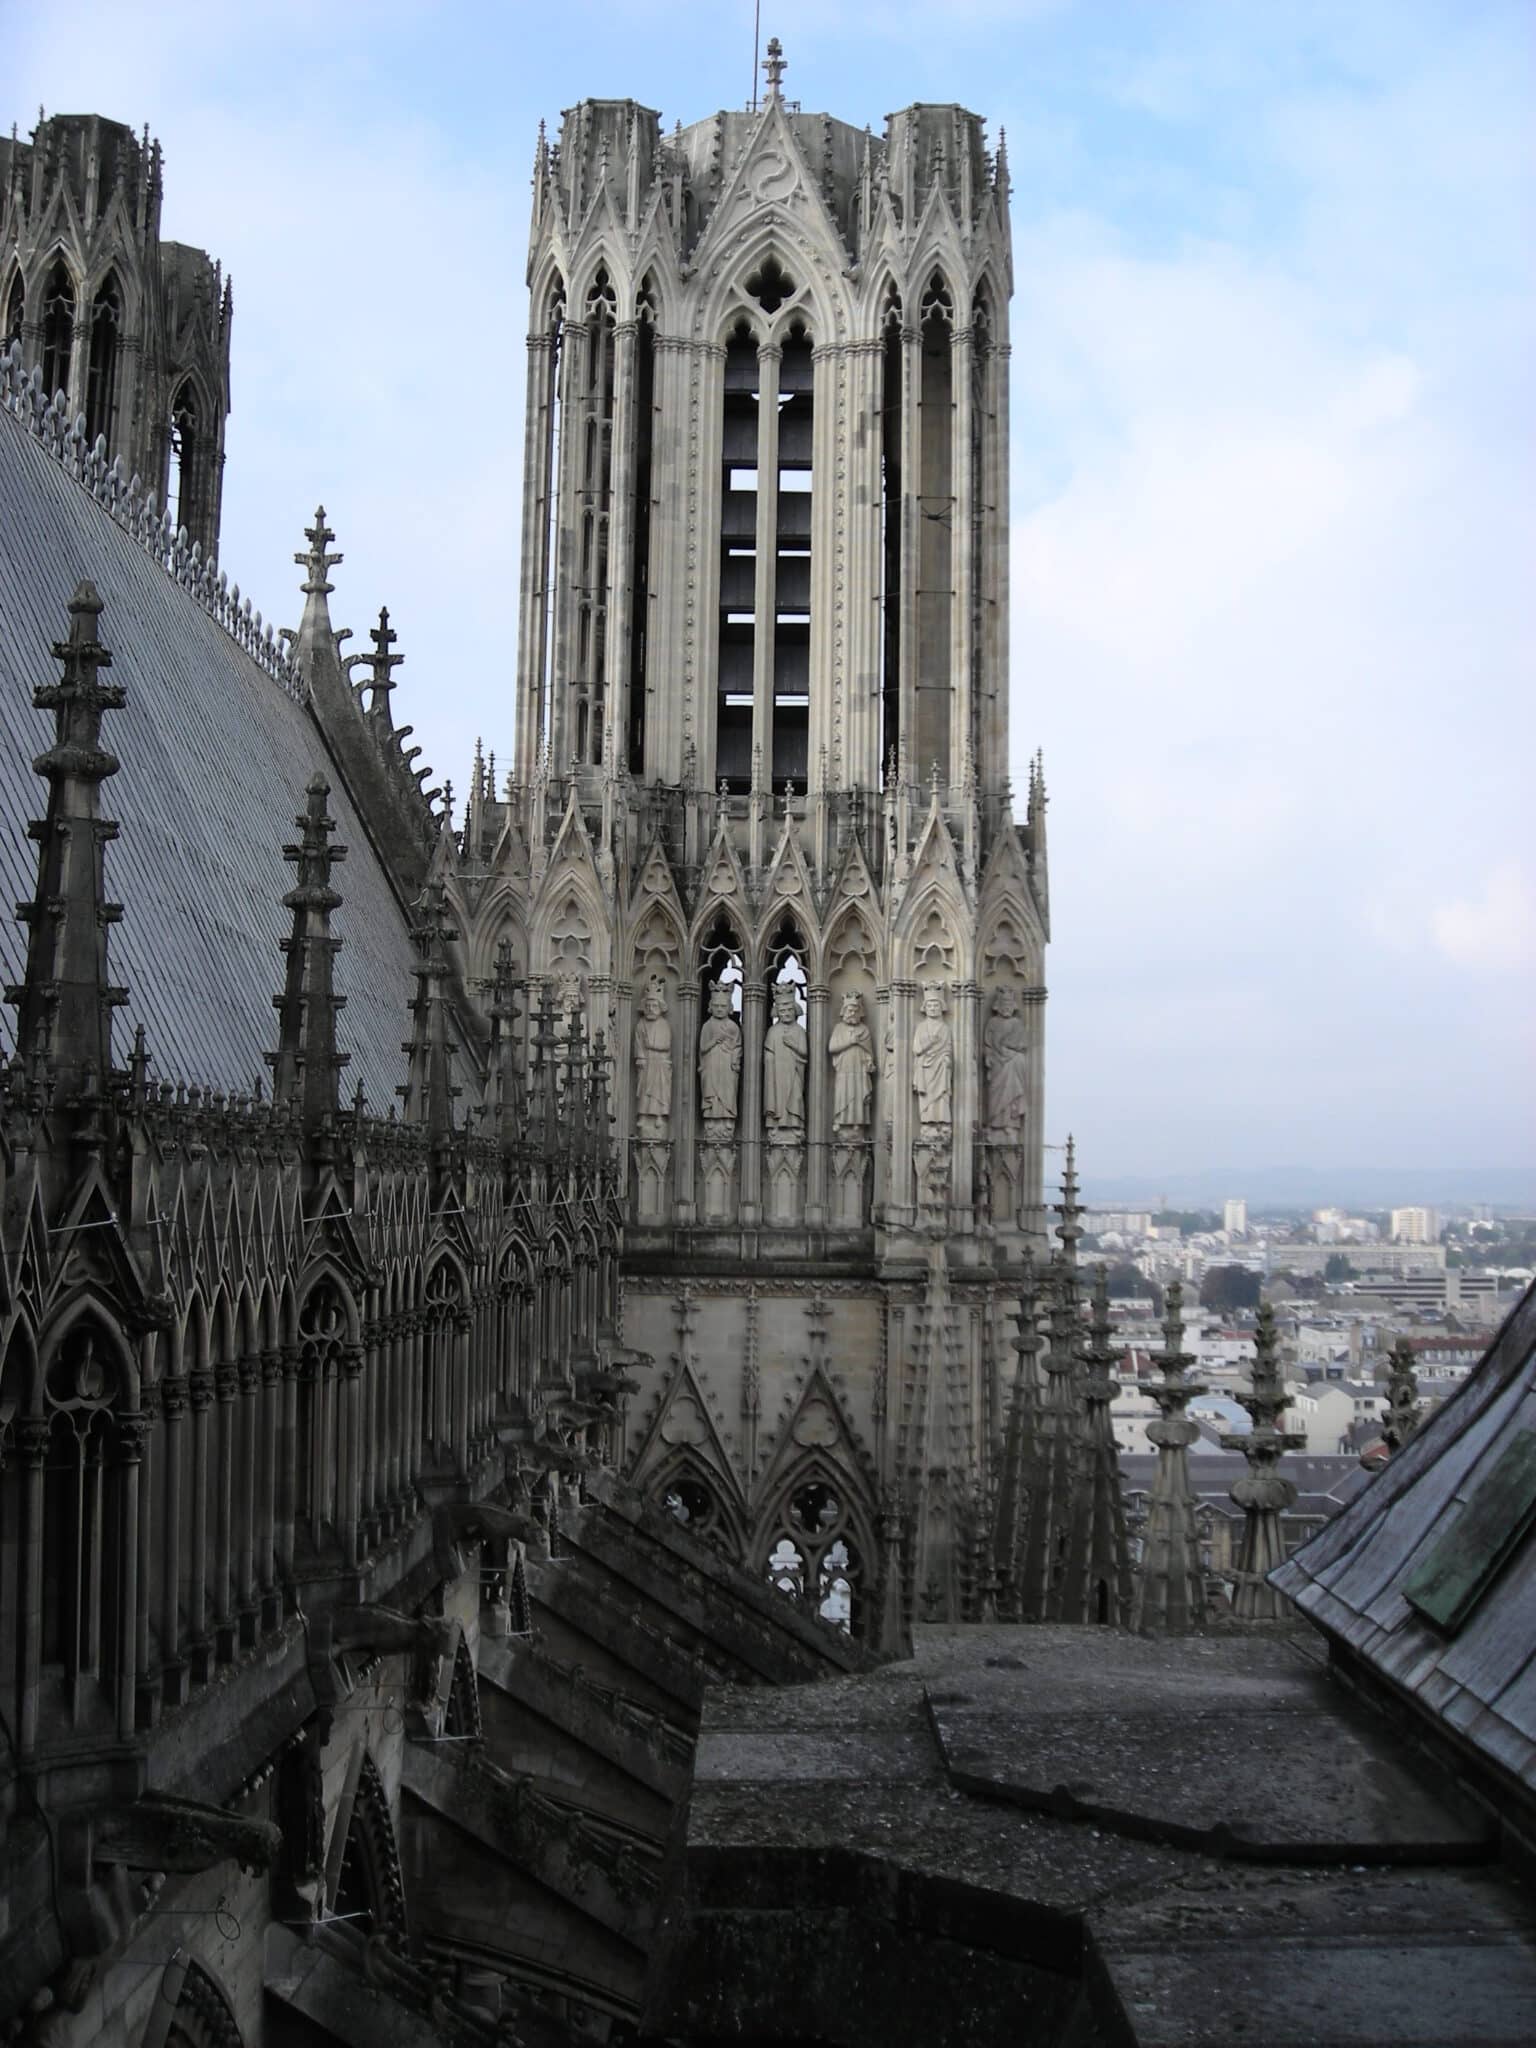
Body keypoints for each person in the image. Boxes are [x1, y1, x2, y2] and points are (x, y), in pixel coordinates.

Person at [983, 986, 1029, 1136]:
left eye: (1009, 1005)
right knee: (994, 1092)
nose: (1007, 1008)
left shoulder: (1017, 1023)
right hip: (997, 1064)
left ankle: (1010, 1122)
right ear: (999, 1006)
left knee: (1018, 1062)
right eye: (1004, 1005)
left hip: (1011, 1063)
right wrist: (989, 1056)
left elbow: (1022, 1045)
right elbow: (987, 1045)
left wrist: (1012, 1052)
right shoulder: (993, 1022)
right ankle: (993, 1122)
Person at [763, 984, 808, 1132]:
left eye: (789, 1010)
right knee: (778, 1098)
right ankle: (777, 1122)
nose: (786, 1013)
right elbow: (768, 1052)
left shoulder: (799, 1031)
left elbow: (804, 1053)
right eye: (782, 1011)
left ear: (795, 1010)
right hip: (777, 1073)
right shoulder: (773, 1031)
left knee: (795, 1097)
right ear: (777, 1013)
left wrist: (793, 1045)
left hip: (794, 1071)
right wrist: (770, 1060)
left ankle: (794, 1122)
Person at [828, 991, 875, 1132]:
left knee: (859, 1093)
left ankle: (858, 1122)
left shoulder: (864, 1029)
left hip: (860, 1070)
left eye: (856, 1010)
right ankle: (841, 1120)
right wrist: (850, 1042)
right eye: (850, 1010)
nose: (853, 1013)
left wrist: (869, 1062)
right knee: (844, 1093)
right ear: (845, 1011)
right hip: (844, 1069)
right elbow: (832, 1048)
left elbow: (868, 1052)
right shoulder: (839, 1028)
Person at [632, 978, 673, 1136]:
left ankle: (659, 1116)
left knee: (659, 1093)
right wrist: (640, 1056)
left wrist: (652, 1046)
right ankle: (643, 1115)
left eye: (654, 1006)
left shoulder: (664, 1024)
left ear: (660, 1007)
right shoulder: (641, 1024)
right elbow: (637, 1043)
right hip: (646, 1062)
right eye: (648, 1006)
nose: (650, 1009)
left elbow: (666, 1045)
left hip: (660, 1063)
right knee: (643, 1091)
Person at [698, 981, 741, 1126]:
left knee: (728, 1093)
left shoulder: (733, 1027)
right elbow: (703, 1048)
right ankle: (711, 1116)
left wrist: (735, 1059)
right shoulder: (707, 1026)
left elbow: (738, 1047)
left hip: (727, 1067)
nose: (719, 1009)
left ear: (729, 1008)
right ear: (711, 1007)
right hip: (711, 1066)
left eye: (723, 1006)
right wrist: (715, 1040)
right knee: (712, 1094)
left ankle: (727, 1116)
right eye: (716, 1006)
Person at [912, 983, 952, 1128]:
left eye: (936, 1006)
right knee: (927, 1098)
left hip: (940, 1067)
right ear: (925, 1008)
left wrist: (947, 1058)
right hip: (925, 1068)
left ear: (941, 1007)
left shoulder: (945, 1028)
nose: (933, 1009)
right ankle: (927, 1122)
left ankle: (941, 1122)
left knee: (941, 1097)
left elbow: (947, 1048)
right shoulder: (921, 1027)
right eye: (930, 1006)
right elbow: (916, 1049)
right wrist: (930, 1043)